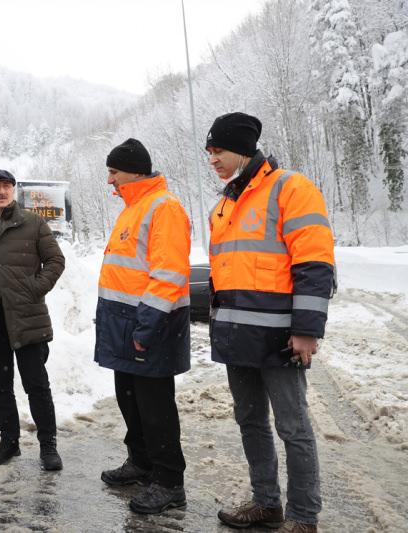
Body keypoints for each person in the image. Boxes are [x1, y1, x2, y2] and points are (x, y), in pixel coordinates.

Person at [205, 112, 335, 533]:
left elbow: (315, 264)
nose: (213, 159)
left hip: (281, 337)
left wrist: (307, 329)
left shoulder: (291, 189)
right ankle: (266, 503)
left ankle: (302, 516)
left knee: (293, 426)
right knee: (250, 421)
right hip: (236, 336)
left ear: (242, 149)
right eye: (209, 152)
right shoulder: (223, 205)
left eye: (218, 150)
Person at [94, 139, 191, 514]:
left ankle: (169, 482)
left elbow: (167, 276)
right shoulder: (134, 208)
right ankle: (141, 462)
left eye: (114, 172)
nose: (110, 181)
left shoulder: (163, 208)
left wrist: (146, 329)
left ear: (134, 171)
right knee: (130, 400)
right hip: (125, 324)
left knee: (155, 407)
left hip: (150, 325)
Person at [0, 169, 65, 471]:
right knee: (0, 386)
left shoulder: (33, 223)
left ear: (14, 190)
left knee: (37, 385)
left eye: (6, 186)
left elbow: (55, 260)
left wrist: (34, 287)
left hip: (28, 319)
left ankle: (48, 446)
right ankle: (9, 441)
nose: (1, 191)